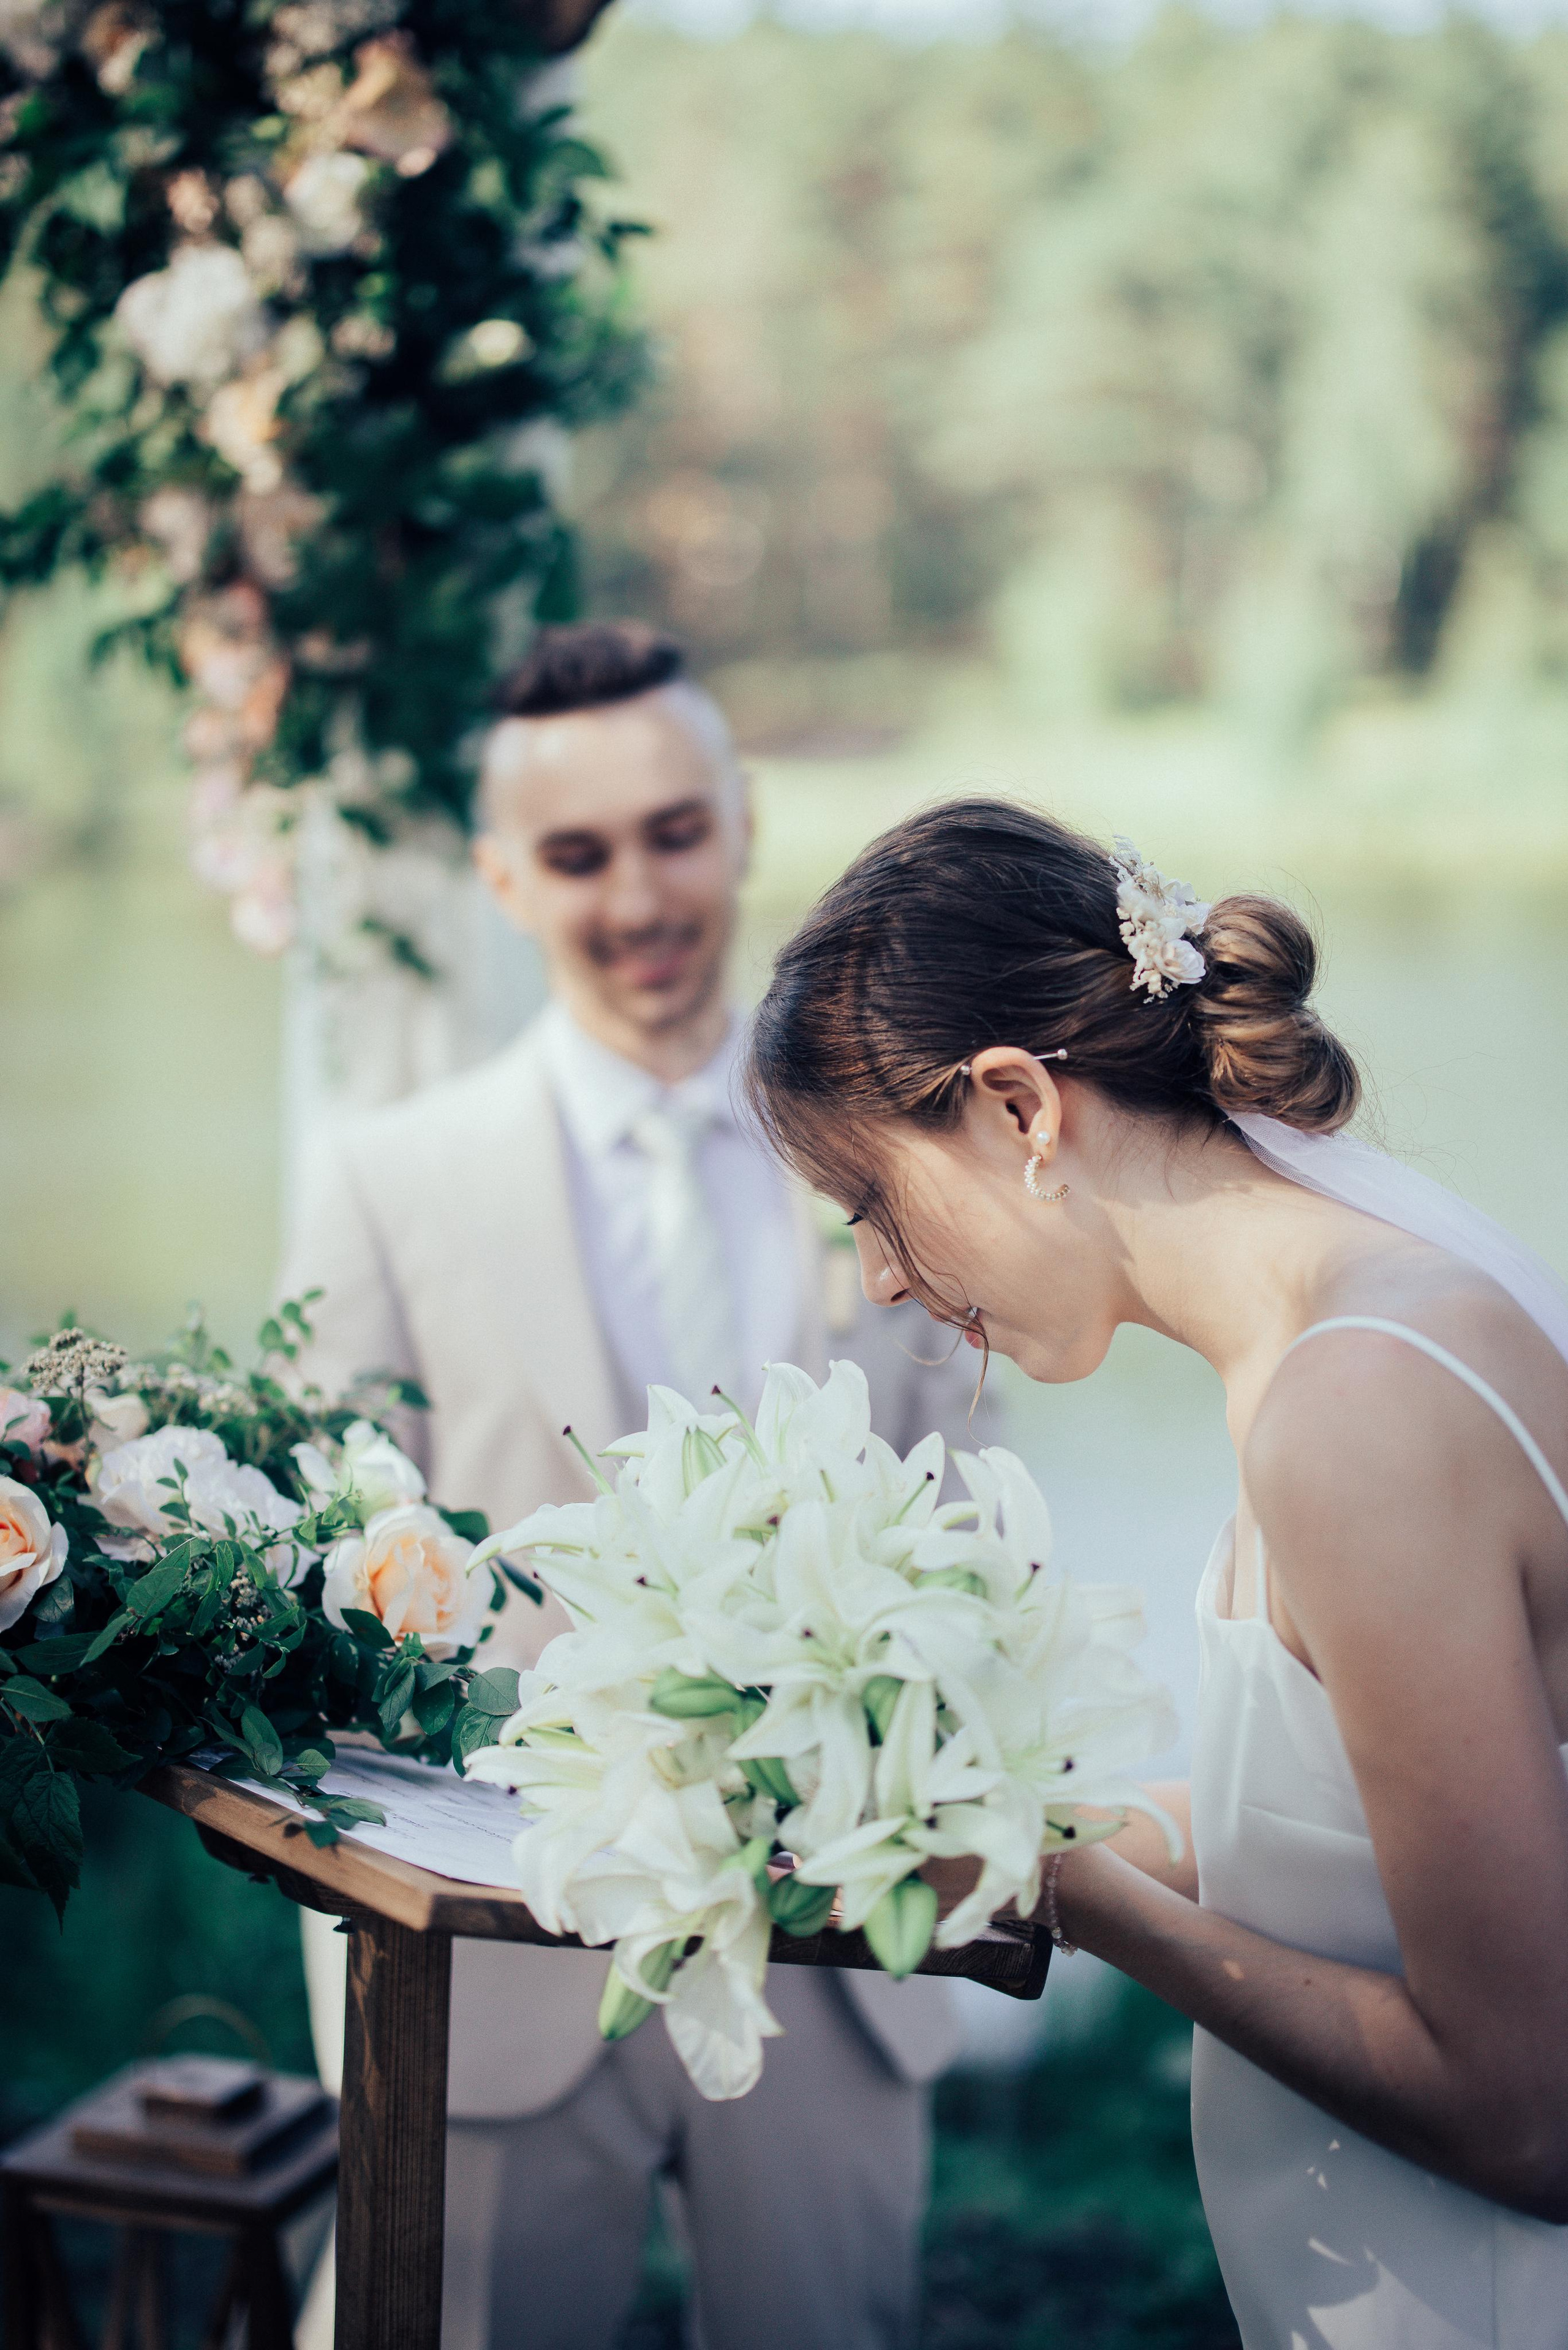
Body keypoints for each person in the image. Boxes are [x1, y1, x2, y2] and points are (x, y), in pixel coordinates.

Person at [744, 796, 1568, 2350]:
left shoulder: (1357, 1408)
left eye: (869, 1201)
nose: (879, 1276)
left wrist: (1073, 1897)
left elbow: (1527, 2110)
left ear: (1016, 1106)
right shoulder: (1341, 1341)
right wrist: (980, 1824)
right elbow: (1333, 1823)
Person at [281, 623, 979, 2350]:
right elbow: (327, 1612)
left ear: (741, 821)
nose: (641, 895)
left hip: (835, 1943)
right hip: (493, 1959)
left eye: (674, 831)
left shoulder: (907, 1149)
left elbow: (968, 1529)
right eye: (580, 853)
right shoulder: (382, 1180)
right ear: (505, 878)